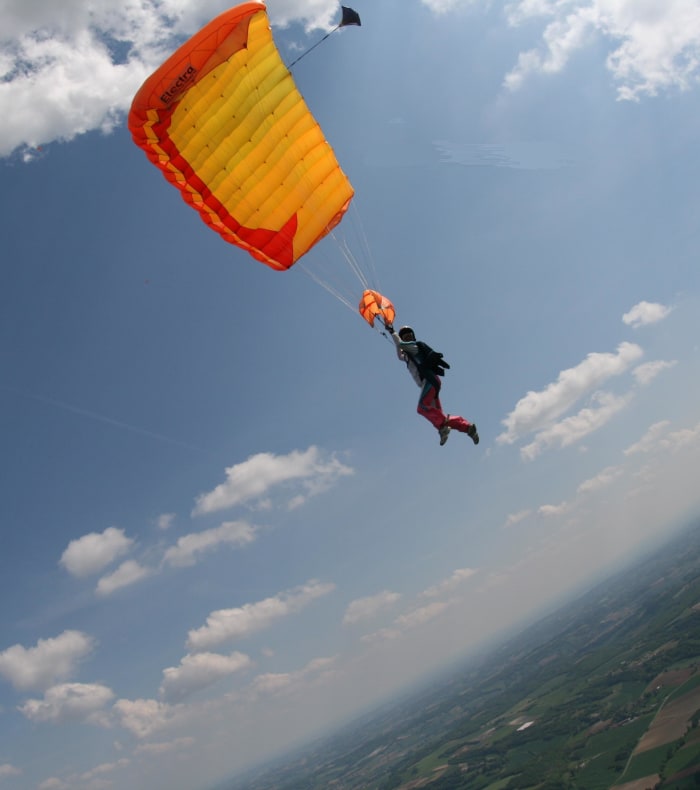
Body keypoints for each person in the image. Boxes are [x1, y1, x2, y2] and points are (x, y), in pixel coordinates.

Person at [387, 324, 479, 447]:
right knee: (439, 414)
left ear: (413, 337)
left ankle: (442, 427)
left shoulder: (415, 347)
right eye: (405, 336)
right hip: (431, 383)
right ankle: (467, 428)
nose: (408, 337)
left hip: (429, 381)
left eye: (410, 335)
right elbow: (400, 354)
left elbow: (401, 345)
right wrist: (392, 333)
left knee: (422, 407)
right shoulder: (408, 356)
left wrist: (393, 332)